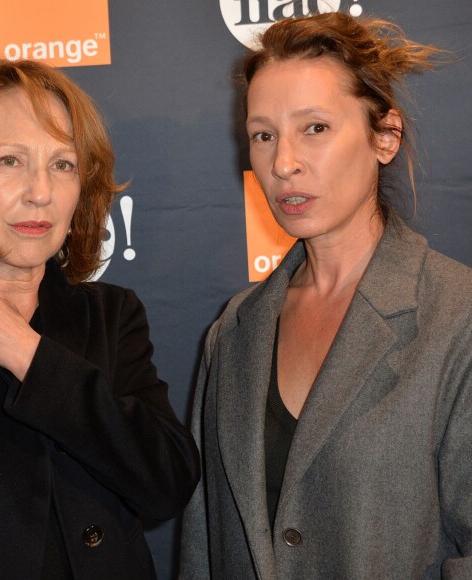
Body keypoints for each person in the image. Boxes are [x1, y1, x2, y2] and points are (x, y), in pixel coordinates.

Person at [180, 13, 471, 579]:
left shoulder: (457, 317)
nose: (283, 163)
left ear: (384, 136)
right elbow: (206, 544)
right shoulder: (236, 330)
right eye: (263, 135)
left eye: (314, 128)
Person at [0, 58, 200, 579]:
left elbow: (166, 482)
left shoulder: (111, 315)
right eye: (10, 160)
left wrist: (28, 354)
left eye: (63, 164)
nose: (41, 191)